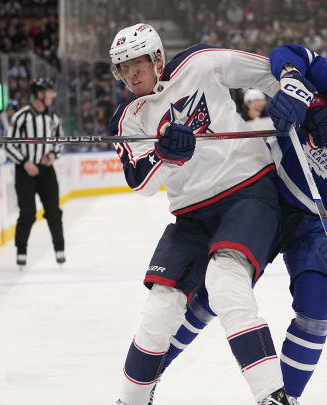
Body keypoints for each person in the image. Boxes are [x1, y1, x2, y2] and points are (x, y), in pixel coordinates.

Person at [156, 47, 327, 403]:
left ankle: (280, 398)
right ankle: (152, 369)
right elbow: (292, 55)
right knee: (217, 291)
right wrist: (301, 92)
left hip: (323, 225)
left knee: (317, 308)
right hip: (271, 189)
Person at [107, 23, 293, 405]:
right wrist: (162, 153)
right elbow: (140, 183)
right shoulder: (128, 118)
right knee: (159, 308)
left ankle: (272, 397)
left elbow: (267, 72)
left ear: (157, 58)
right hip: (191, 217)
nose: (132, 75)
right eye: (124, 68)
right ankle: (130, 400)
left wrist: (298, 101)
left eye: (138, 64)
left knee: (226, 284)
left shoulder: (200, 62)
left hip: (248, 194)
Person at [5, 78, 65, 270]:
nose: (52, 95)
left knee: (53, 211)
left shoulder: (53, 118)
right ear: (39, 94)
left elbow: (60, 141)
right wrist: (24, 162)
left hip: (46, 171)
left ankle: (60, 249)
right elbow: (8, 144)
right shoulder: (21, 117)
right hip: (25, 172)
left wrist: (52, 154)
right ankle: (21, 251)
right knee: (28, 213)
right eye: (49, 91)